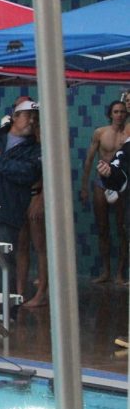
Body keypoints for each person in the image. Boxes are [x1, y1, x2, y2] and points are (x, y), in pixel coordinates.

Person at [0, 99, 42, 307]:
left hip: (6, 211)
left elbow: (27, 173)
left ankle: (8, 312)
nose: (32, 121)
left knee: (4, 262)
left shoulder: (34, 150)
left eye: (35, 118)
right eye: (28, 116)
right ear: (14, 117)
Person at [81, 100, 129, 283]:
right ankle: (106, 271)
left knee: (122, 228)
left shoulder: (127, 135)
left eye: (123, 112)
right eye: (116, 111)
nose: (119, 115)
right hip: (101, 183)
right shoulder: (101, 133)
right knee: (103, 228)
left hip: (120, 184)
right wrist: (85, 187)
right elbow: (89, 160)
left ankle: (120, 273)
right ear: (110, 114)